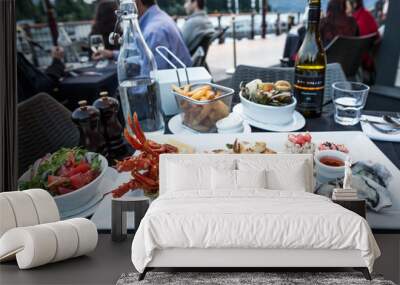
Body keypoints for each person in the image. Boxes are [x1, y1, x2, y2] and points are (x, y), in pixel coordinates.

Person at [93, 0, 192, 69]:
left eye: (122, 3)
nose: (120, 9)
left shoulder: (154, 31)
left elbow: (150, 80)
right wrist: (111, 54)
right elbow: (140, 55)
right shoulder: (159, 19)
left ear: (136, 2)